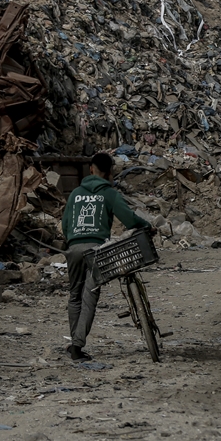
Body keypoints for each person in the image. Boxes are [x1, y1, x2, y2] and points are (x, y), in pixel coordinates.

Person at [61, 153, 151, 361]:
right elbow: (130, 219)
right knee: (89, 297)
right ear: (110, 171)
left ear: (91, 169)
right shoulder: (109, 194)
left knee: (74, 296)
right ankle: (77, 346)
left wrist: (74, 240)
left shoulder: (75, 193)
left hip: (73, 248)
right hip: (97, 250)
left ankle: (74, 342)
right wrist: (147, 226)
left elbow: (65, 224)